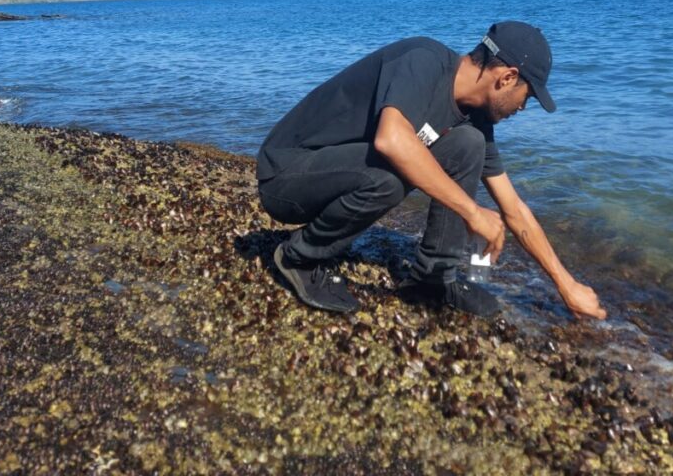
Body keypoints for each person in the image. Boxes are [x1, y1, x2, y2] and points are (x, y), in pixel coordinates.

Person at [257, 20, 607, 320]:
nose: (523, 107)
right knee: (394, 173)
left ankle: (433, 280)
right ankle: (299, 257)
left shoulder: (475, 119)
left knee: (467, 144)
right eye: (527, 96)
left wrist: (566, 284)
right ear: (507, 77)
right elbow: (391, 140)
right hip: (287, 176)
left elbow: (513, 209)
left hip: (337, 176)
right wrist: (471, 211)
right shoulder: (422, 60)